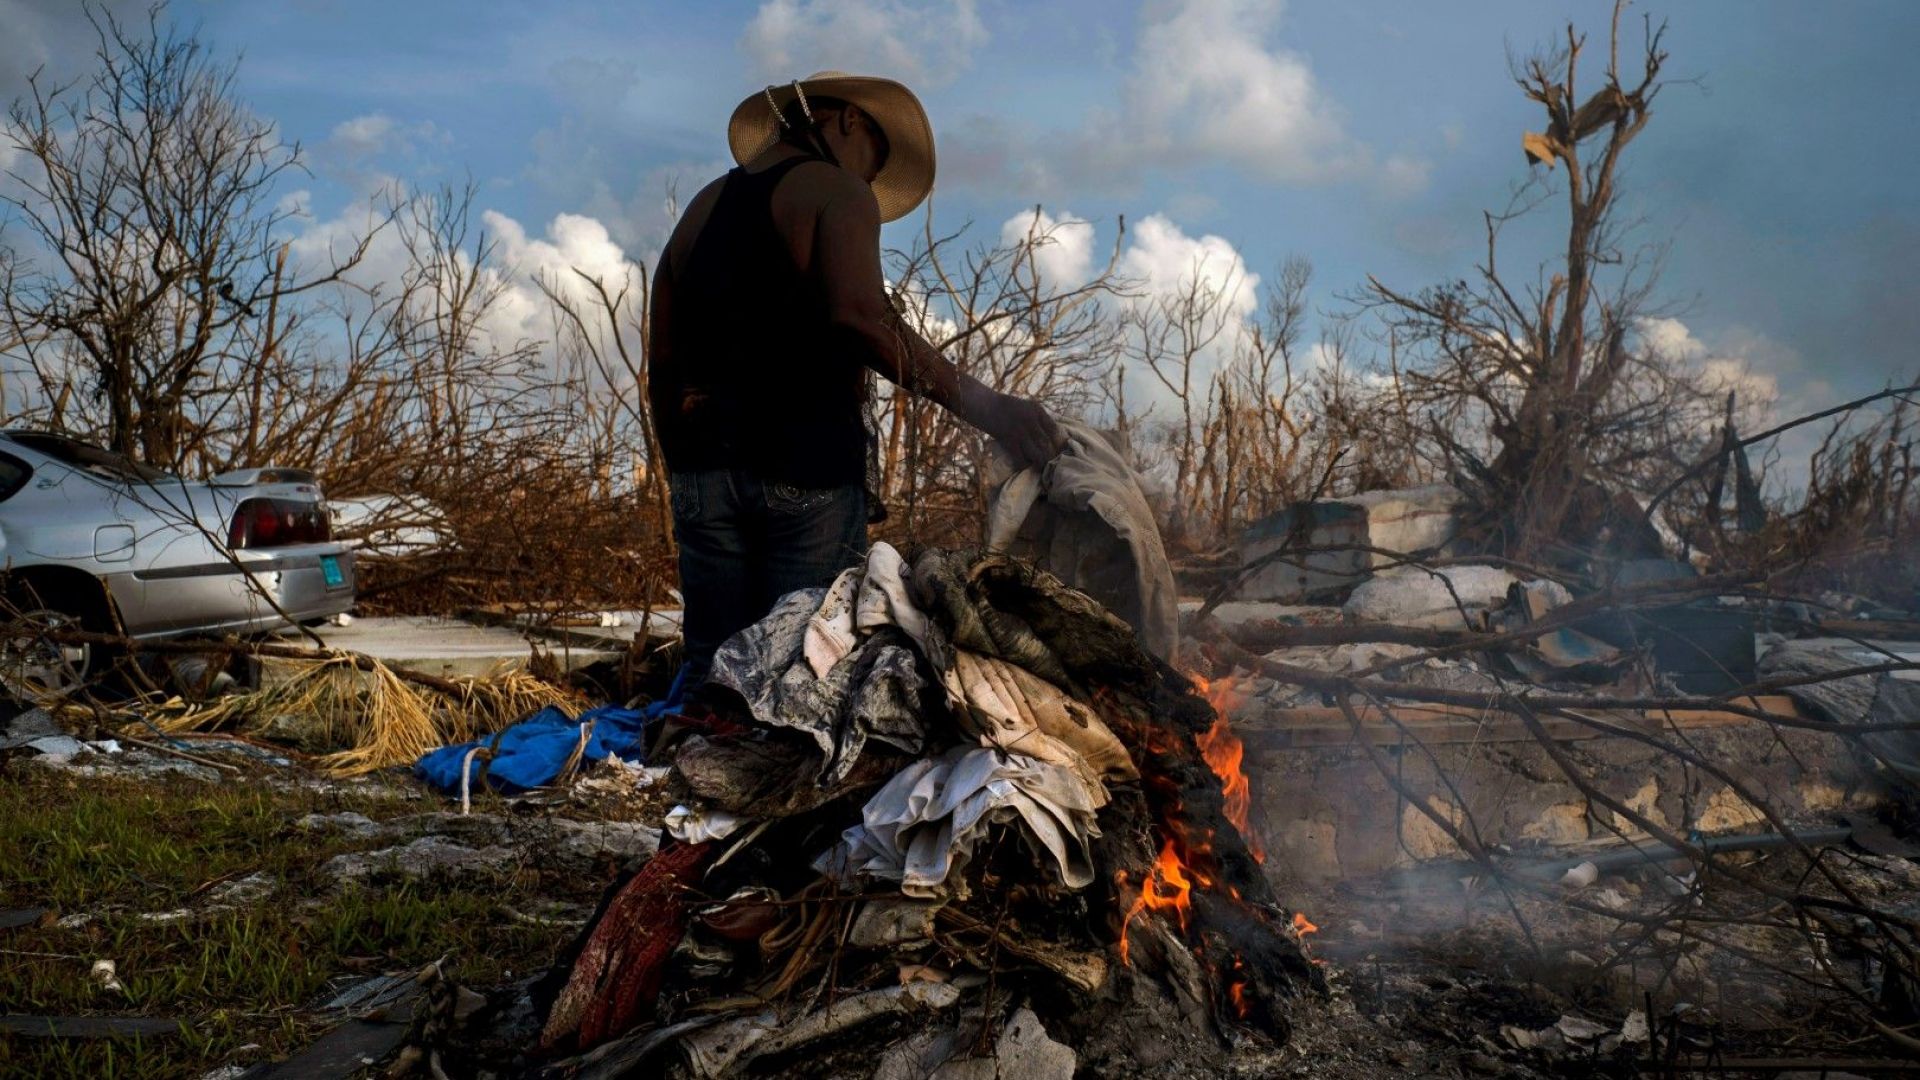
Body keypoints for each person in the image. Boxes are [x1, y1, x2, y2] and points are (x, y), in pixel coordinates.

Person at [648, 71, 1062, 683]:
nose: (870, 180)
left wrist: (685, 468)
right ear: (847, 121)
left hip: (702, 476)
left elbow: (662, 354)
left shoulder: (704, 206)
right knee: (802, 679)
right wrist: (991, 408)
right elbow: (860, 318)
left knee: (714, 677)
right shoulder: (836, 190)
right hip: (802, 471)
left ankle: (683, 771)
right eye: (875, 160)